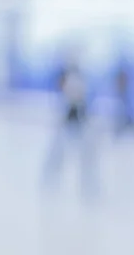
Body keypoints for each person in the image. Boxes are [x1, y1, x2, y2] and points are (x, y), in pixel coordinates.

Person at [41, 53, 98, 198]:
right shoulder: (73, 81)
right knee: (58, 152)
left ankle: (89, 187)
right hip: (71, 122)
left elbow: (78, 99)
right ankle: (49, 178)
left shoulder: (74, 80)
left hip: (78, 123)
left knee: (84, 156)